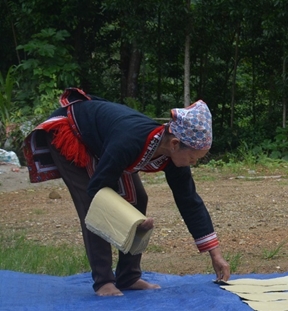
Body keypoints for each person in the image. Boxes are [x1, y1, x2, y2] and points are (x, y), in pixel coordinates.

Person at [23, 88, 231, 296]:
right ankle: (103, 281)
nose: (192, 164)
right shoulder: (129, 141)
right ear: (175, 144)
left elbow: (189, 201)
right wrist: (128, 221)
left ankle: (128, 276)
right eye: (193, 158)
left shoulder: (171, 154)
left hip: (106, 145)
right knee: (92, 203)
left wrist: (215, 254)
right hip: (73, 132)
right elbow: (98, 191)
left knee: (138, 199)